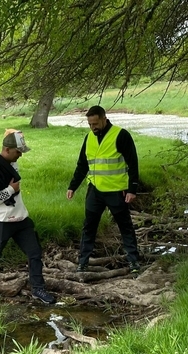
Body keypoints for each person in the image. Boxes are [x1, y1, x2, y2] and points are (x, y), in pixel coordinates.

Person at [0, 129, 56, 305]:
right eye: (18, 152)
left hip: (21, 219)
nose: (20, 156)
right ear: (7, 150)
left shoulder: (12, 163)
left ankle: (38, 289)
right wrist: (10, 190)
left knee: (34, 253)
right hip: (1, 221)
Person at [66, 105, 140, 274]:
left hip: (116, 190)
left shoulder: (121, 135)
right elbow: (82, 165)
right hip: (95, 191)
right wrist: (73, 186)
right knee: (89, 227)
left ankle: (134, 262)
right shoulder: (89, 138)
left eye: (96, 123)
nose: (93, 127)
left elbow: (133, 164)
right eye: (90, 124)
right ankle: (82, 263)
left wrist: (132, 190)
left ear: (104, 119)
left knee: (125, 226)